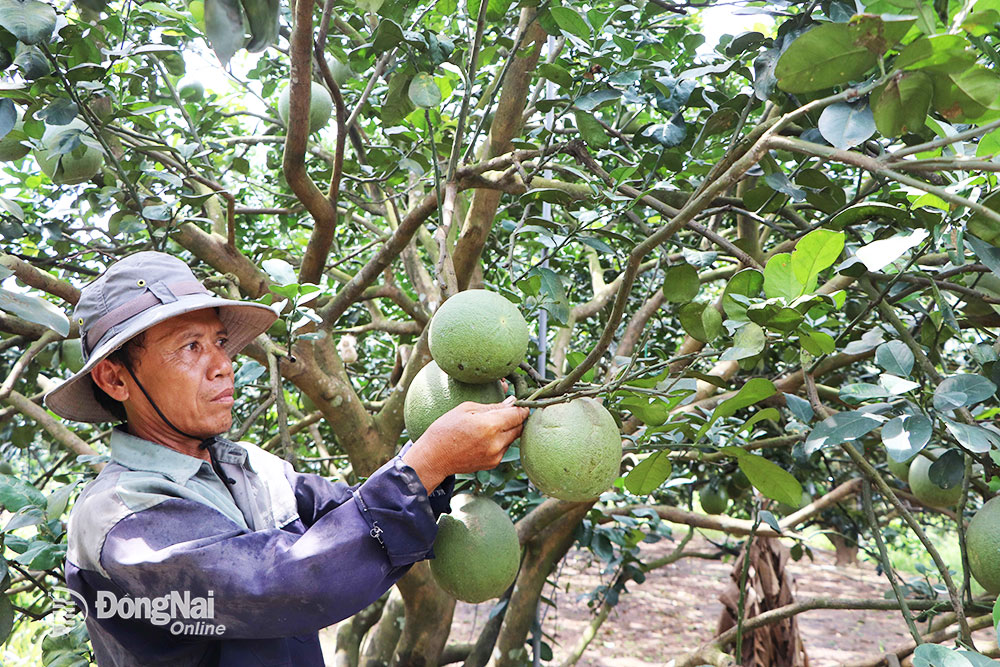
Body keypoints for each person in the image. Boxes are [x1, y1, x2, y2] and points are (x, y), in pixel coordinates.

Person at [44, 251, 528, 666]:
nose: (222, 365)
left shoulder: (246, 468)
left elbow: (350, 516)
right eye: (190, 347)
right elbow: (275, 583)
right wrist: (426, 462)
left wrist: (437, 461)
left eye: (217, 341)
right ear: (115, 379)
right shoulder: (118, 516)